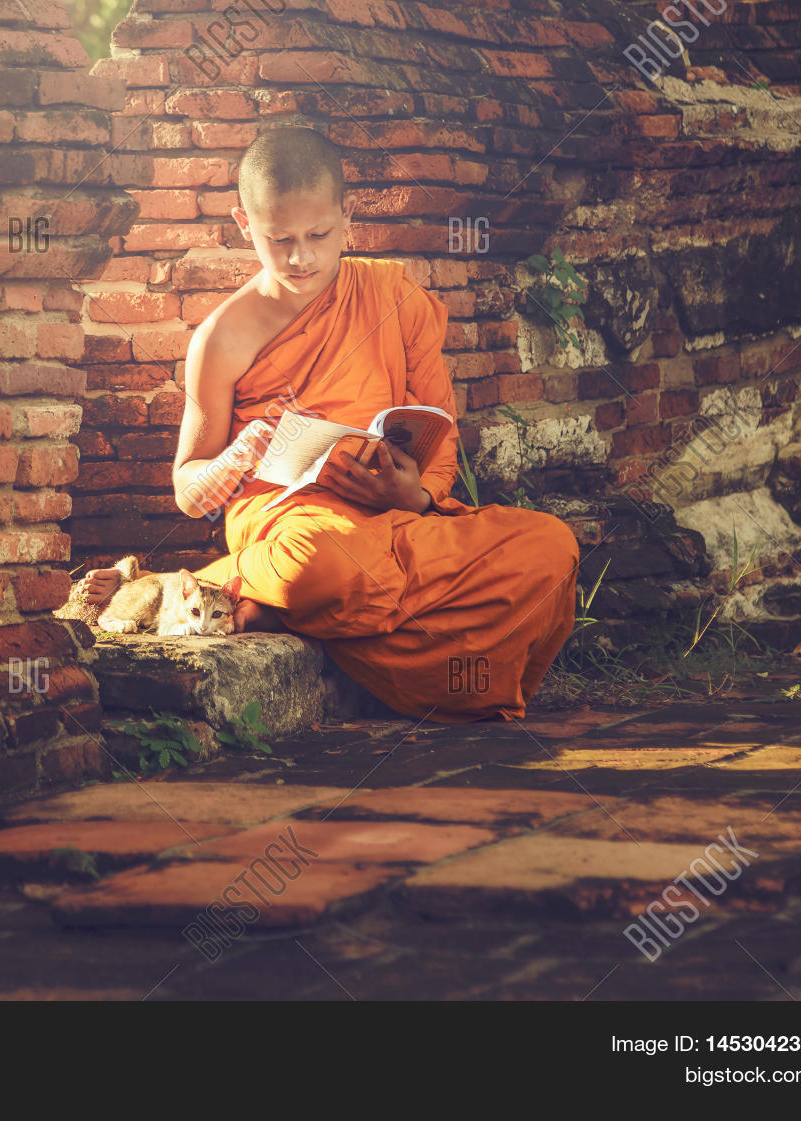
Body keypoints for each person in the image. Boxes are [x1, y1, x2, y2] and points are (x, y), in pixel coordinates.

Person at [82, 124, 579, 722]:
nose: (302, 257)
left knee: (550, 547)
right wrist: (243, 452)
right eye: (279, 239)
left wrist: (415, 494)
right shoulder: (222, 337)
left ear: (348, 216)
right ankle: (294, 599)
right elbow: (189, 489)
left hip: (392, 517)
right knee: (323, 566)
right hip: (296, 524)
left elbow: (437, 433)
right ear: (245, 226)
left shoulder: (394, 298)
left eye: (319, 234)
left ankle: (258, 601)